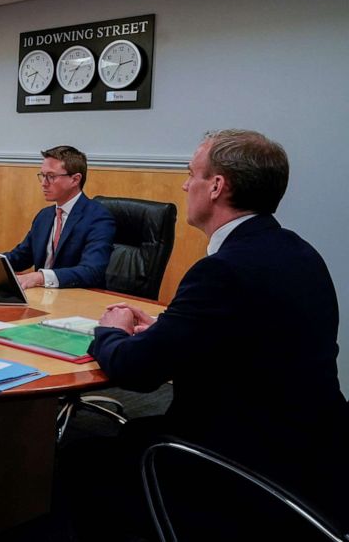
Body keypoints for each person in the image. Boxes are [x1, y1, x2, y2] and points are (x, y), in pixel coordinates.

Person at [64, 130, 349, 540]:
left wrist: (108, 331)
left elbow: (139, 372)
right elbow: (249, 338)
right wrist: (167, 329)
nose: (184, 184)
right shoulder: (299, 252)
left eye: (191, 173)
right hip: (313, 452)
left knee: (82, 460)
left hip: (241, 461)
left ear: (216, 186)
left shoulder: (222, 271)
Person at [0, 145, 114, 289]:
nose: (43, 183)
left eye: (51, 176)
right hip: (43, 299)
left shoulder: (97, 217)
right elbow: (21, 257)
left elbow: (92, 271)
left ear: (75, 179)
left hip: (78, 301)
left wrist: (39, 277)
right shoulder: (45, 216)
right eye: (42, 176)